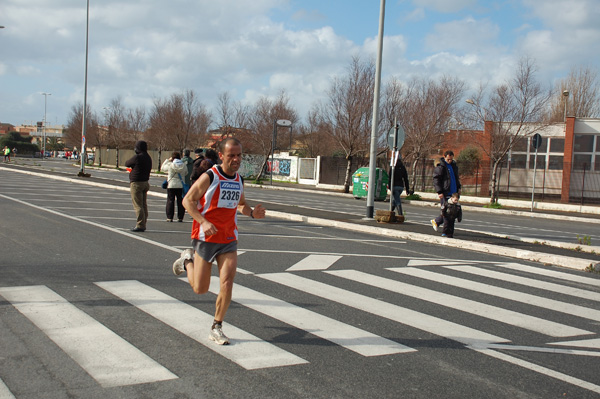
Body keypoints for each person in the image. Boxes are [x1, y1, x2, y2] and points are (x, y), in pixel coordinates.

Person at [172, 137, 266, 345]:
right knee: (200, 289)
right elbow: (188, 200)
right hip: (206, 238)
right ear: (221, 156)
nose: (236, 159)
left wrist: (252, 213)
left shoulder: (239, 180)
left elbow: (241, 204)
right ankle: (187, 261)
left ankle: (217, 326)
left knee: (227, 281)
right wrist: (203, 221)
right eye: (231, 155)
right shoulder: (210, 176)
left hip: (228, 238)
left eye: (239, 155)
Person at [125, 140, 152, 232]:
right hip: (145, 182)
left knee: (138, 205)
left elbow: (127, 163)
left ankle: (140, 225)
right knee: (144, 205)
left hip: (136, 183)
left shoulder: (137, 157)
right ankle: (144, 222)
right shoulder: (148, 157)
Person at [431, 150, 461, 232]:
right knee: (447, 211)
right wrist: (439, 191)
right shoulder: (441, 166)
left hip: (454, 192)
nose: (450, 161)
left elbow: (456, 178)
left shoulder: (454, 166)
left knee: (453, 212)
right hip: (445, 191)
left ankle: (438, 223)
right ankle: (444, 229)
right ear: (444, 157)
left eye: (451, 159)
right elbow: (436, 179)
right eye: (448, 159)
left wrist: (459, 188)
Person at [161, 152, 188, 222]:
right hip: (180, 185)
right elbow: (186, 173)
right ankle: (180, 217)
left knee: (170, 201)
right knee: (180, 201)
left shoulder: (170, 165)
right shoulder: (184, 165)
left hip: (171, 184)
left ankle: (170, 217)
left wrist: (167, 160)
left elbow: (162, 168)